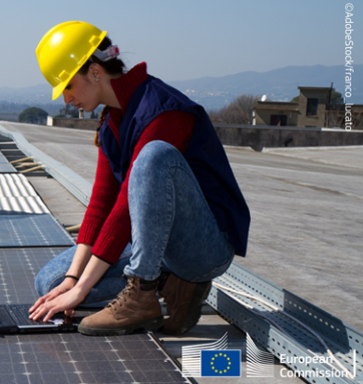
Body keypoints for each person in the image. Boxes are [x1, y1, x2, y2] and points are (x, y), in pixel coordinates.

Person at [28, 21, 250, 336]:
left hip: (204, 245)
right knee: (50, 283)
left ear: (94, 71)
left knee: (153, 156)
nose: (66, 99)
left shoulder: (164, 111)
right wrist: (73, 280)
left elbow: (122, 212)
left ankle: (142, 294)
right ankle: (168, 279)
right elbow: (102, 203)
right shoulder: (111, 121)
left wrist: (81, 291)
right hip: (154, 241)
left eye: (68, 86)